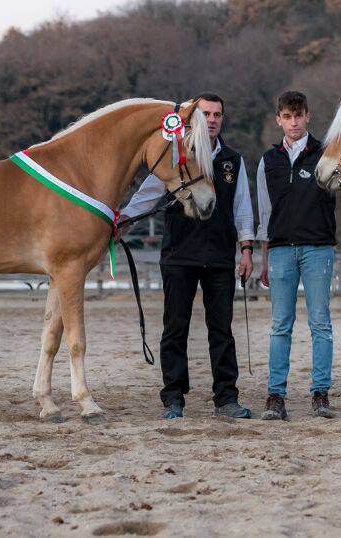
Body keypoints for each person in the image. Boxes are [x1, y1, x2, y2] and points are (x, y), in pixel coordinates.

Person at [121, 93, 255, 420]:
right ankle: (173, 399)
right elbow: (147, 196)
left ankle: (226, 398)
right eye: (206, 114)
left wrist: (247, 249)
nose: (212, 120)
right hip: (179, 255)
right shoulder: (174, 157)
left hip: (221, 257)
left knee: (221, 330)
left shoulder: (232, 161)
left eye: (218, 115)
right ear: (194, 118)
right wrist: (121, 222)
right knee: (175, 328)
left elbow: (243, 210)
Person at [255, 90, 337, 420]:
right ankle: (276, 395)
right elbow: (265, 211)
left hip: (318, 248)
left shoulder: (327, 153)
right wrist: (263, 255)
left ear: (307, 117)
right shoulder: (268, 161)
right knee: (280, 325)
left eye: (298, 115)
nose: (293, 122)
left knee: (320, 323)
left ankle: (320, 393)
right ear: (279, 120)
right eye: (287, 117)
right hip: (279, 251)